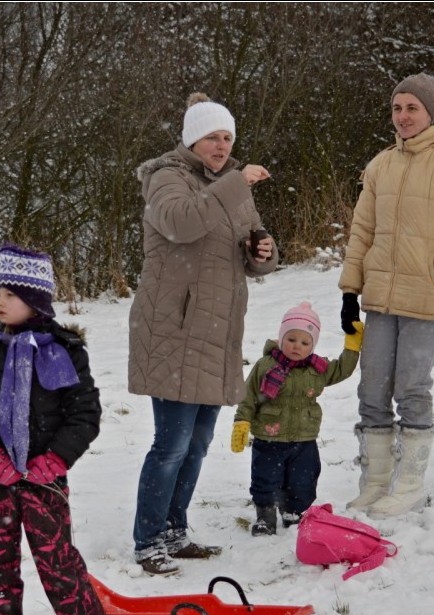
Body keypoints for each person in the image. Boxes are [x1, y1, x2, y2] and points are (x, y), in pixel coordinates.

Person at [128, 92, 279, 575]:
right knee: (170, 444)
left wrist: (262, 253)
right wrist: (235, 183)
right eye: (213, 136)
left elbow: (249, 248)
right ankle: (148, 538)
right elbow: (182, 223)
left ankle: (175, 529)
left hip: (217, 329)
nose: (221, 144)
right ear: (192, 138)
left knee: (196, 443)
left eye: (228, 137)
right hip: (174, 328)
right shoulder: (166, 178)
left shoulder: (230, 187)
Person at [0, 243, 114, 615]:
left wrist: (55, 460)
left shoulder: (63, 350)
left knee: (60, 563)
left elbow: (84, 414)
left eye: (12, 295)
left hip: (44, 482)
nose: (0, 303)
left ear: (36, 300)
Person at [338, 72, 434, 516]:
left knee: (411, 388)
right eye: (397, 108)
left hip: (426, 298)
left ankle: (409, 485)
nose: (403, 116)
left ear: (430, 113)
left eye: (412, 108)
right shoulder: (381, 164)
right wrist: (351, 289)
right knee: (372, 391)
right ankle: (375, 482)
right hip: (380, 298)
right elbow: (362, 230)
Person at [230, 302, 364, 536]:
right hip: (268, 437)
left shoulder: (318, 369)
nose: (297, 346)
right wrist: (242, 421)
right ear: (281, 338)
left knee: (304, 479)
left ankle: (293, 511)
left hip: (304, 438)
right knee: (265, 478)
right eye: (291, 339)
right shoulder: (265, 365)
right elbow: (248, 396)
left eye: (305, 342)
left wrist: (352, 346)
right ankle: (266, 514)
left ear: (312, 345)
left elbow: (342, 369)